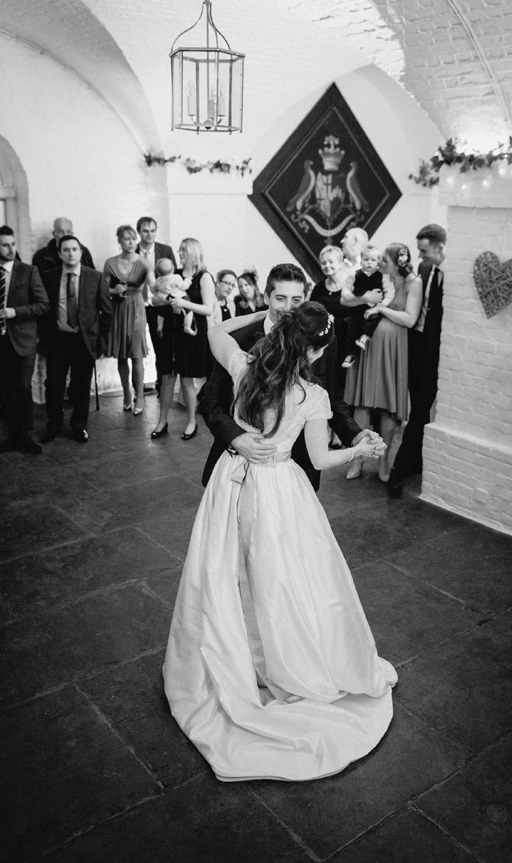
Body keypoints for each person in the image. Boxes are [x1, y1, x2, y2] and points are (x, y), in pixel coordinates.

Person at [163, 301, 397, 782]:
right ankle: (278, 657)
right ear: (313, 351)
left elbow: (214, 328)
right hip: (277, 489)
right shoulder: (311, 395)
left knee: (230, 568)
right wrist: (361, 448)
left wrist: (253, 321)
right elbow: (320, 458)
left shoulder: (245, 366)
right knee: (280, 577)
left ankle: (237, 649)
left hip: (232, 479)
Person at [200, 262, 382, 491]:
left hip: (299, 471)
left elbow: (333, 400)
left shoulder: (321, 341)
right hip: (239, 464)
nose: (288, 308)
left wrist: (354, 435)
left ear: (305, 298)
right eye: (280, 298)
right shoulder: (240, 338)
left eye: (296, 300)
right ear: (266, 297)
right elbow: (211, 402)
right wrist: (235, 437)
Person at [345, 244, 423, 483]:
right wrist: (364, 300)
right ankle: (358, 457)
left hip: (392, 351)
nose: (379, 264)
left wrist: (380, 308)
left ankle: (384, 460)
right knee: (362, 405)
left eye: (384, 261)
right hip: (367, 348)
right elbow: (349, 300)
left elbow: (409, 319)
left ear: (397, 262)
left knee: (388, 407)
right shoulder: (378, 278)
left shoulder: (413, 282)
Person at [387, 224, 446, 497]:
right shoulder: (422, 271)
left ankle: (399, 470)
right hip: (415, 346)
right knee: (417, 410)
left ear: (439, 247)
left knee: (421, 410)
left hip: (435, 352)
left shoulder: (450, 276)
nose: (420, 257)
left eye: (424, 251)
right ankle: (414, 462)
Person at [39, 235, 111, 444]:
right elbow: (44, 311)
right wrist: (43, 339)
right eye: (66, 250)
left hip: (83, 340)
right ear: (60, 253)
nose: (70, 253)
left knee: (81, 386)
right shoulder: (49, 277)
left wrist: (101, 339)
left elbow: (107, 312)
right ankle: (54, 425)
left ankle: (79, 426)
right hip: (58, 340)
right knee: (53, 385)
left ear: (81, 252)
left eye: (74, 249)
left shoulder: (95, 277)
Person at [0, 225, 49, 454]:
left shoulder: (28, 271)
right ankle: (12, 435)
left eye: (12, 244)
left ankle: (25, 436)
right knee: (6, 390)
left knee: (22, 388)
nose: (11, 249)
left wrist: (15, 312)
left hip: (22, 339)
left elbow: (43, 305)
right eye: (5, 245)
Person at [150, 238, 214, 440]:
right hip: (171, 328)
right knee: (167, 377)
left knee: (187, 379)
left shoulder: (204, 277)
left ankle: (191, 422)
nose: (180, 253)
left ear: (194, 252)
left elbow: (208, 309)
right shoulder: (175, 274)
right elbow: (157, 298)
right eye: (179, 250)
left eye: (184, 250)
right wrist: (167, 301)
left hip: (192, 332)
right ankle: (162, 421)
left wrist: (185, 304)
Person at [102, 225, 154, 415]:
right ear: (119, 241)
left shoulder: (144, 262)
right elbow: (101, 289)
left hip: (138, 309)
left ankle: (140, 396)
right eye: (126, 239)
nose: (131, 242)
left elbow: (154, 284)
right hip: (118, 308)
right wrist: (113, 291)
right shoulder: (110, 262)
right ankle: (126, 393)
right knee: (122, 354)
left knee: (137, 354)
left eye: (133, 238)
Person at [135, 217, 177, 394]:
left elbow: (173, 276)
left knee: (161, 345)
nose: (149, 234)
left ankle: (161, 384)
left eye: (153, 230)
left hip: (158, 305)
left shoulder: (165, 250)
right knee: (136, 348)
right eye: (145, 231)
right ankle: (138, 388)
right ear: (139, 232)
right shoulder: (133, 251)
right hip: (137, 304)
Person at [310, 245, 352, 389]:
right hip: (325, 343)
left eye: (331, 261)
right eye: (323, 262)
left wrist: (336, 321)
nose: (327, 265)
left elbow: (358, 316)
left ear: (340, 263)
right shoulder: (318, 288)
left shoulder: (351, 286)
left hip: (347, 342)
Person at [341, 245, 386, 368]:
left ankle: (365, 337)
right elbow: (346, 287)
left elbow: (386, 291)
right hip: (357, 308)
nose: (369, 263)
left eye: (373, 260)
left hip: (373, 308)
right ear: (361, 261)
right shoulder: (355, 274)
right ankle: (350, 355)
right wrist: (347, 293)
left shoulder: (382, 276)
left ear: (378, 262)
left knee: (374, 319)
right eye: (366, 260)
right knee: (352, 328)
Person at [152, 258, 196, 336]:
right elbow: (183, 286)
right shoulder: (176, 277)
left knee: (161, 313)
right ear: (173, 268)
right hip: (179, 298)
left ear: (158, 272)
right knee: (189, 311)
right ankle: (187, 326)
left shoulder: (158, 280)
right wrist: (188, 279)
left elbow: (154, 289)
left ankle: (159, 327)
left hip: (166, 300)